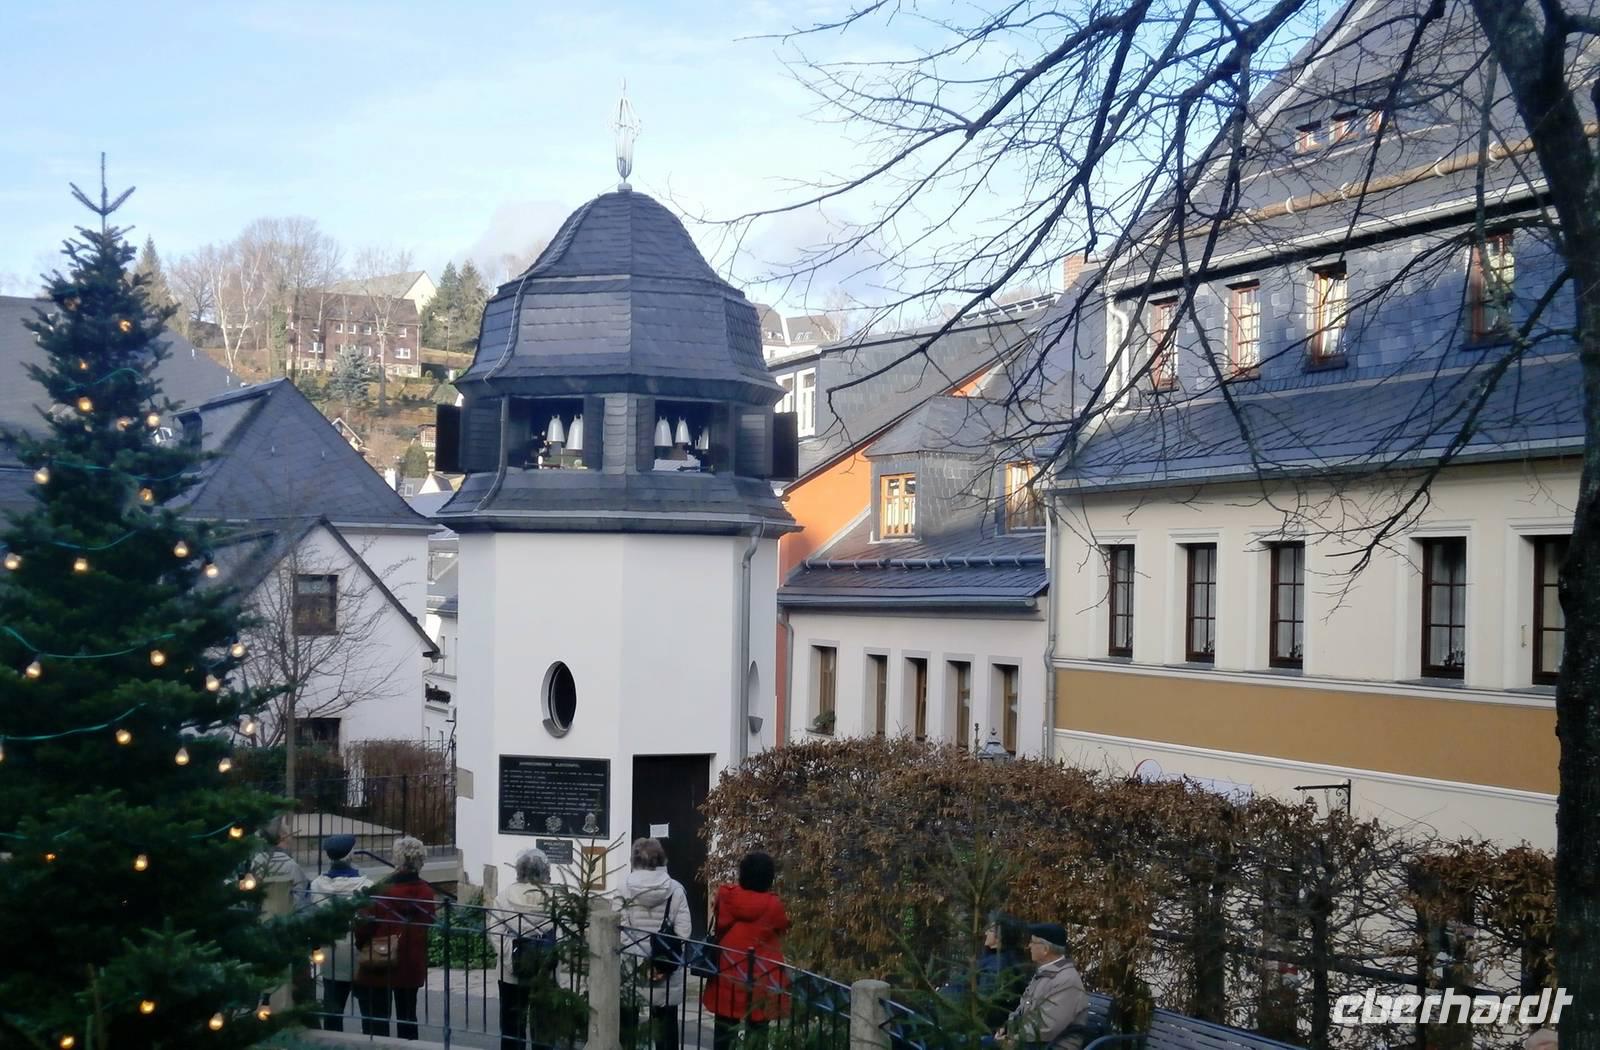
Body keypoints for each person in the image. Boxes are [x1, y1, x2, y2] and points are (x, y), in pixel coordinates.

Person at [704, 851, 790, 1050]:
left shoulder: (726, 895)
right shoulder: (773, 904)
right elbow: (782, 927)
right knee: (758, 1031)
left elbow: (719, 922)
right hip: (761, 974)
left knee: (724, 1030)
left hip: (728, 969)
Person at [355, 836, 438, 1040]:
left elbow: (363, 924)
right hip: (410, 961)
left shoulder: (380, 890)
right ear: (420, 861)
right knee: (408, 1017)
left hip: (379, 958)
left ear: (396, 859)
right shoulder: (425, 891)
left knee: (378, 1019)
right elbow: (428, 921)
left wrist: (361, 944)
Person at [619, 838, 692, 1050]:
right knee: (666, 1029)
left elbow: (620, 931)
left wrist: (642, 964)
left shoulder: (623, 888)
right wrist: (661, 966)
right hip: (666, 969)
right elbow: (683, 933)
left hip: (632, 968)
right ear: (662, 859)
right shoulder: (676, 890)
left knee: (628, 1028)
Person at [308, 834, 373, 1031]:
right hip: (360, 953)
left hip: (330, 953)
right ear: (350, 854)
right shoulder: (366, 886)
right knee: (369, 1011)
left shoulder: (316, 885)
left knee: (333, 1010)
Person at [496, 847, 558, 1050]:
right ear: (545, 871)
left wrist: (511, 958)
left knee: (512, 1025)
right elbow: (562, 933)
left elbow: (495, 932)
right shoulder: (554, 897)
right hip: (545, 970)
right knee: (543, 1025)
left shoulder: (504, 897)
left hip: (511, 973)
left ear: (519, 870)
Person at [994, 924, 1089, 1050]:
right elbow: (1022, 1008)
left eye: (1033, 942)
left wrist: (1014, 1040)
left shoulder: (1066, 980)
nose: (1029, 946)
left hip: (1052, 1045)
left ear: (1045, 949)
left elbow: (1047, 1027)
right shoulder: (1046, 972)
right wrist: (1007, 1029)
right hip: (1032, 1041)